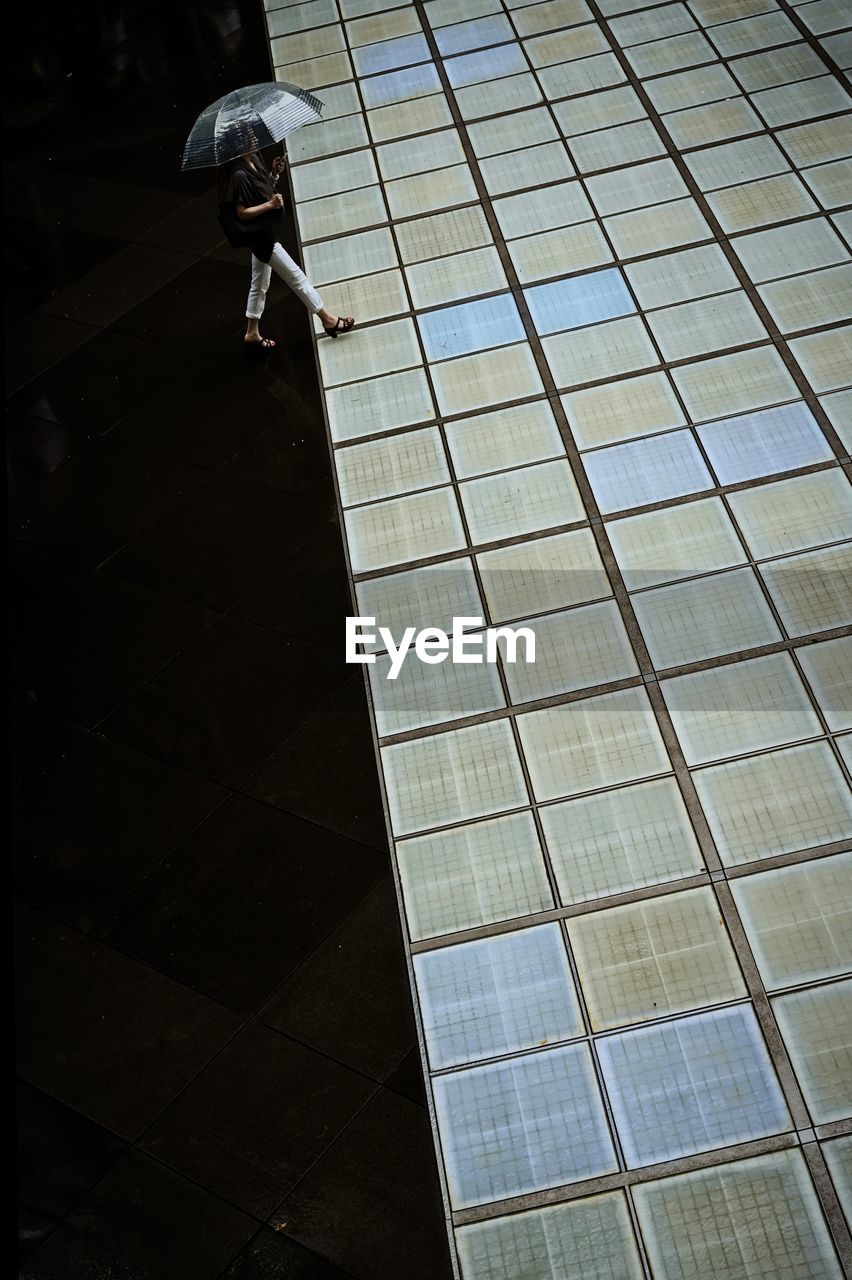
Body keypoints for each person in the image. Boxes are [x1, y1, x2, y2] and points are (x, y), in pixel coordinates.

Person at [222, 149, 354, 353]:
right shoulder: (239, 174)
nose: (254, 137)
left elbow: (264, 192)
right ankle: (327, 319)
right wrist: (270, 204)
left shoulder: (255, 158)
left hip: (268, 232)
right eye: (249, 134)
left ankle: (252, 332)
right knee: (297, 278)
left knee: (259, 283)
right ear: (239, 143)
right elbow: (242, 213)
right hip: (263, 238)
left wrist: (274, 174)